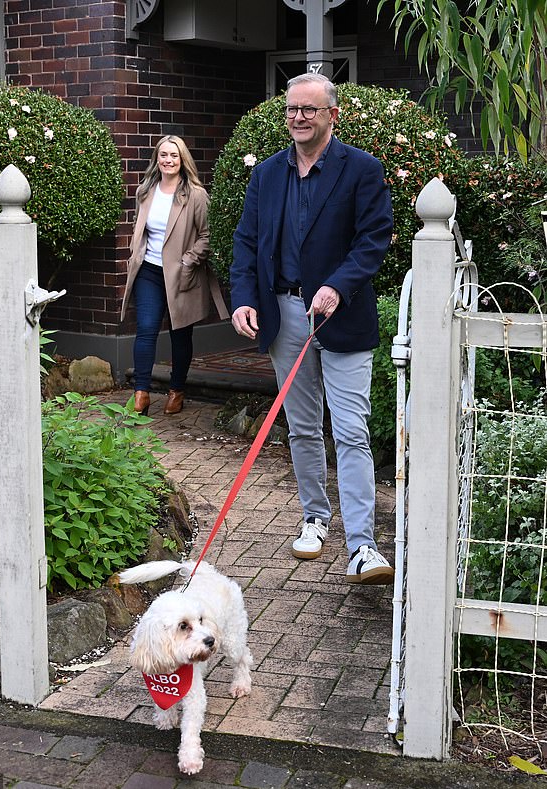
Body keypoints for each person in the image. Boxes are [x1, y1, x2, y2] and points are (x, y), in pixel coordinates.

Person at [230, 73, 394, 584]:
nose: (298, 117)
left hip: (342, 319)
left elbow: (374, 239)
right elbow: (246, 242)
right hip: (285, 318)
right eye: (291, 110)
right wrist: (243, 300)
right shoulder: (268, 175)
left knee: (350, 431)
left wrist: (338, 287)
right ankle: (315, 518)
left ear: (332, 115)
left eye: (309, 109)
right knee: (301, 427)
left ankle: (363, 546)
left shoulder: (362, 170)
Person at [121, 135, 229, 415]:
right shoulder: (146, 190)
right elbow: (140, 228)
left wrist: (188, 261)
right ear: (157, 158)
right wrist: (135, 253)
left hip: (182, 274)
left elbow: (208, 235)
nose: (168, 160)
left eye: (174, 155)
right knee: (145, 329)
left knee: (180, 334)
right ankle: (141, 394)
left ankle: (176, 390)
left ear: (183, 160)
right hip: (149, 271)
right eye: (163, 155)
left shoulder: (195, 194)